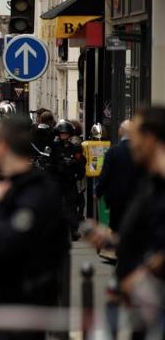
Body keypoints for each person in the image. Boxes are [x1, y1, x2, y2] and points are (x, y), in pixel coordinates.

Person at [0, 115, 69, 340]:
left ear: (1, 147)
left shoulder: (37, 190)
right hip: (1, 301)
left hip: (24, 304)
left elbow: (8, 242)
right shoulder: (5, 187)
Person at [85, 108, 165, 339]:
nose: (132, 145)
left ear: (150, 139)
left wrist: (143, 274)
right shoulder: (150, 183)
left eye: (136, 137)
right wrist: (114, 240)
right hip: (142, 311)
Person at [95, 120, 145, 233]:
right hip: (136, 198)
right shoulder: (141, 152)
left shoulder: (113, 152)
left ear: (120, 132)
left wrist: (98, 192)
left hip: (117, 200)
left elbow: (105, 175)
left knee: (117, 229)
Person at [51, 120, 87, 240]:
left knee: (71, 205)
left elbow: (82, 162)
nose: (64, 136)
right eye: (62, 134)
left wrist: (74, 163)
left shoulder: (75, 147)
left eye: (66, 133)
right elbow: (50, 161)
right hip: (57, 179)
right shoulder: (54, 147)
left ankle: (73, 230)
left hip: (70, 180)